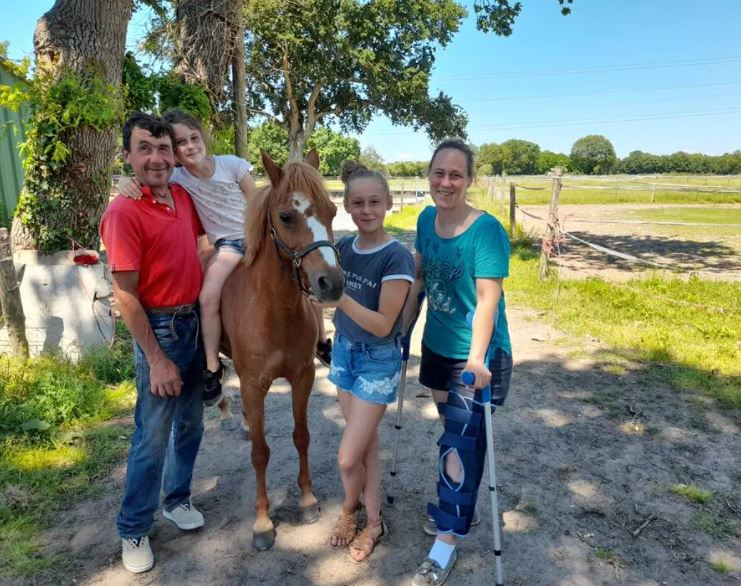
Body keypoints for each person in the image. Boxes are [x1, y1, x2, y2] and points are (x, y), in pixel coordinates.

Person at [117, 109, 332, 407]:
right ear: (175, 153)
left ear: (204, 138)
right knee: (207, 297)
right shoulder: (177, 176)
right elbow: (149, 175)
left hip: (257, 237)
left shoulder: (230, 164)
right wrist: (124, 183)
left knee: (301, 274)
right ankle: (212, 366)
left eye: (194, 138)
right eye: (181, 143)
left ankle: (320, 341)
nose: (190, 146)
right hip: (229, 245)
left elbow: (258, 199)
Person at [101, 112, 208, 574]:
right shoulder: (124, 210)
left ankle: (177, 499)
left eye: (164, 148)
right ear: (127, 156)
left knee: (191, 425)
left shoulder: (183, 196)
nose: (156, 157)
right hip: (160, 329)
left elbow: (204, 247)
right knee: (152, 436)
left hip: (194, 323)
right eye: (144, 148)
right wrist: (157, 359)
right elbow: (125, 295)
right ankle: (133, 527)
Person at [403, 138, 513, 586]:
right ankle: (459, 505)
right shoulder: (426, 218)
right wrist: (402, 327)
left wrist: (475, 357)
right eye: (438, 173)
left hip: (476, 354)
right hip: (436, 346)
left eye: (455, 175)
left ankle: (446, 540)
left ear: (470, 180)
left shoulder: (486, 231)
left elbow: (488, 301)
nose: (445, 183)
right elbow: (420, 278)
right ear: (429, 176)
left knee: (458, 444)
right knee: (457, 432)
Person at [326, 161, 414, 563]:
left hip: (377, 361)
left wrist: (339, 298)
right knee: (366, 446)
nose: (366, 210)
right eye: (357, 203)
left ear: (389, 203)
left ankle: (349, 509)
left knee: (348, 457)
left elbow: (382, 325)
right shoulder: (343, 248)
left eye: (374, 202)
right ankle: (375, 520)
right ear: (346, 206)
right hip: (344, 352)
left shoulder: (396, 257)